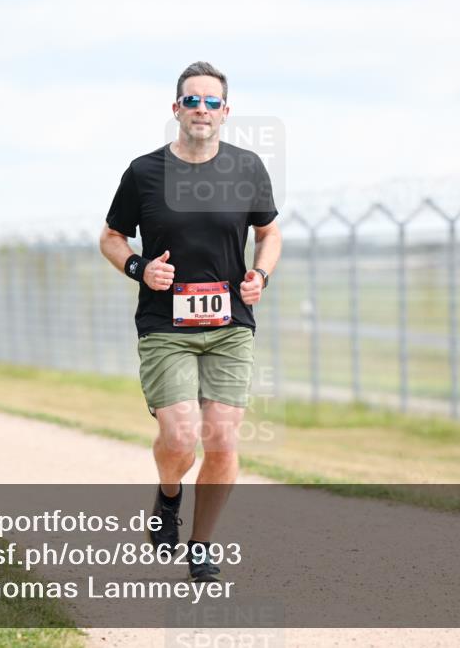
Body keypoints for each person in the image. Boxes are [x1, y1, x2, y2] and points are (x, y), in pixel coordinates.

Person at [99, 61, 282, 583]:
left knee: (222, 440)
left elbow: (269, 233)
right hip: (166, 325)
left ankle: (200, 545)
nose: (202, 109)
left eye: (211, 101)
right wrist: (139, 268)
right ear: (177, 108)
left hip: (230, 325)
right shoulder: (144, 172)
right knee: (180, 438)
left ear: (225, 111)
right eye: (192, 100)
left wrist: (260, 276)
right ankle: (169, 493)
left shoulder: (247, 168)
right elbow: (111, 238)